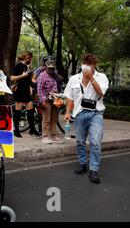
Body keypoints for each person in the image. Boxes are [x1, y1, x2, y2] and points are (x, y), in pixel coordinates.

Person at [64, 53, 109, 184]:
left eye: (91, 64)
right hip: (79, 113)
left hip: (96, 113)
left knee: (95, 142)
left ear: (95, 65)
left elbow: (102, 93)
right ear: (82, 64)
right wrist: (67, 111)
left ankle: (94, 170)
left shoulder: (101, 77)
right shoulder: (74, 78)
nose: (87, 66)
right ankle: (83, 163)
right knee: (80, 141)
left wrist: (91, 78)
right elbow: (69, 96)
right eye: (85, 64)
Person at [10, 51, 41, 137]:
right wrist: (23, 75)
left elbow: (28, 80)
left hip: (26, 91)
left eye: (30, 58)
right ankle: (16, 130)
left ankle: (32, 129)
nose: (30, 60)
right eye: (29, 58)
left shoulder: (27, 67)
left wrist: (36, 86)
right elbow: (12, 78)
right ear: (25, 58)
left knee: (30, 111)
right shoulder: (18, 66)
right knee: (18, 111)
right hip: (19, 91)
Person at [37, 59, 63, 144]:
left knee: (54, 118)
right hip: (46, 99)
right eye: (49, 68)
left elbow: (57, 85)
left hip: (54, 99)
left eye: (52, 68)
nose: (51, 70)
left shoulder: (54, 75)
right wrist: (42, 100)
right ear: (45, 67)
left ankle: (53, 135)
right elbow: (39, 89)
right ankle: (45, 136)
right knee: (46, 119)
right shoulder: (42, 75)